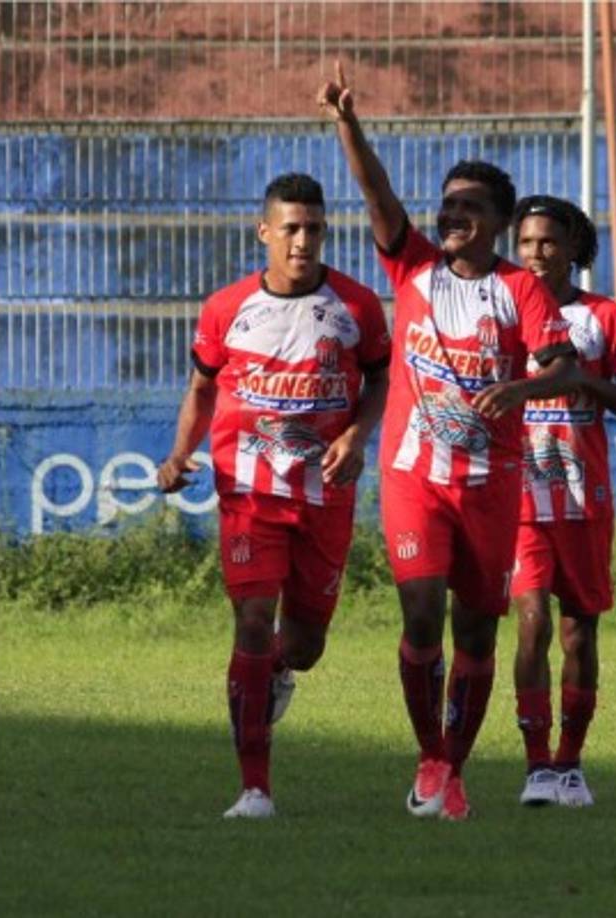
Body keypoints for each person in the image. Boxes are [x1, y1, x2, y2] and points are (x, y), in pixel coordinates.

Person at [317, 64, 577, 821]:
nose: (451, 213)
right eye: (448, 203)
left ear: (497, 221)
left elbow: (562, 368)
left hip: (491, 485)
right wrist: (347, 121)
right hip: (414, 476)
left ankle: (454, 769)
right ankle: (430, 757)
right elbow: (375, 194)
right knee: (421, 614)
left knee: (474, 632)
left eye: (469, 206)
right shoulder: (414, 264)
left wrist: (521, 389)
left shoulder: (519, 290)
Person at [157, 173, 390, 819]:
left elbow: (379, 381)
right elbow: (202, 389)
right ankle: (254, 788)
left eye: (314, 228)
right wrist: (180, 453)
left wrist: (358, 434)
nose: (303, 240)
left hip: (324, 495)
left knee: (305, 645)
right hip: (249, 492)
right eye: (290, 228)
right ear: (265, 233)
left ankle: (276, 673)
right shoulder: (226, 309)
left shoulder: (357, 307)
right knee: (253, 621)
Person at [511, 195, 616, 807]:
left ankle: (571, 765)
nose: (535, 255)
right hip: (519, 495)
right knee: (531, 623)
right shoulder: (502, 310)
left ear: (574, 248)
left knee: (577, 634)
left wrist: (583, 382)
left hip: (582, 496)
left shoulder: (605, 318)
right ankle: (537, 765)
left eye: (547, 243)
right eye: (525, 243)